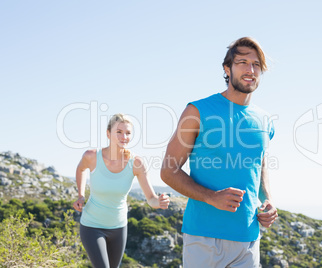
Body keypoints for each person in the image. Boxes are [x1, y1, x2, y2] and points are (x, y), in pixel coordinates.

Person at [161, 37, 278, 268]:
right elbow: (168, 170)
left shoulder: (265, 120)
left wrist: (268, 201)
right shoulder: (198, 111)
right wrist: (210, 197)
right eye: (242, 62)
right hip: (204, 239)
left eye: (256, 64)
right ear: (227, 68)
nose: (250, 69)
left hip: (248, 239)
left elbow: (259, 165)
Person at [73, 113, 170, 268]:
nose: (124, 136)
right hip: (92, 226)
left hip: (118, 228)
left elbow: (151, 198)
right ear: (108, 133)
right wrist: (80, 195)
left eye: (128, 133)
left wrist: (158, 202)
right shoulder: (92, 156)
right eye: (119, 132)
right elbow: (81, 169)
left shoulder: (137, 163)